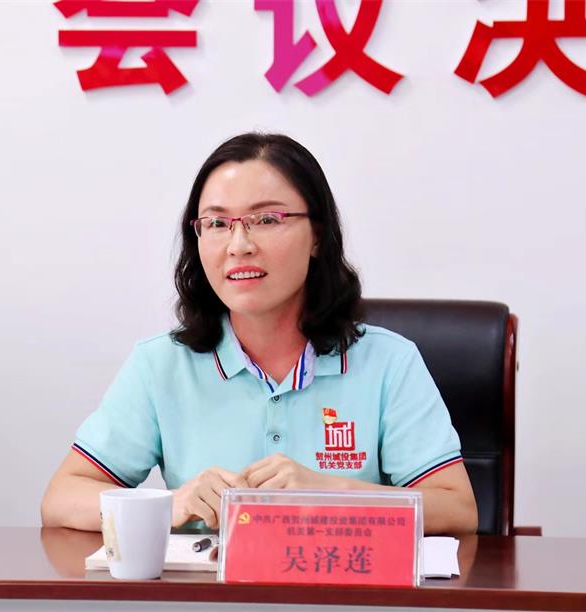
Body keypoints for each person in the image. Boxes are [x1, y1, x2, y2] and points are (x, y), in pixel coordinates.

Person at [41, 133, 478, 535]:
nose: (239, 245)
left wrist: (331, 493)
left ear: (318, 235)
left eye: (266, 219)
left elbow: (457, 509)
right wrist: (171, 504)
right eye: (217, 224)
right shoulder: (161, 364)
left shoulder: (388, 361)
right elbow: (62, 498)